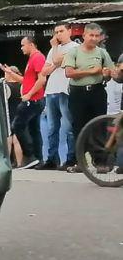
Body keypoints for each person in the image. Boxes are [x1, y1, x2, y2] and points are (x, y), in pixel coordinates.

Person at [63, 23, 115, 172]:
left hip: (97, 92)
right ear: (84, 35)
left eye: (97, 36)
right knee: (78, 126)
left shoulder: (102, 53)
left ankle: (100, 162)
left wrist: (106, 74)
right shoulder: (74, 52)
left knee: (99, 126)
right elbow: (69, 73)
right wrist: (92, 72)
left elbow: (109, 72)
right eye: (91, 35)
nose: (94, 38)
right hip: (78, 93)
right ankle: (81, 162)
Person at [37, 23, 79, 169]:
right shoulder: (54, 50)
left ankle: (71, 158)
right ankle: (51, 159)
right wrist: (55, 62)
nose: (58, 35)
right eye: (56, 32)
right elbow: (44, 71)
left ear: (69, 31)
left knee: (68, 127)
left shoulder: (74, 47)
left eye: (61, 31)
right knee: (52, 128)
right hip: (51, 90)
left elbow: (54, 61)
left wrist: (55, 51)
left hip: (64, 90)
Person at [0, 36, 46, 169]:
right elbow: (25, 81)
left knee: (17, 126)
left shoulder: (37, 58)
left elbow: (41, 80)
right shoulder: (32, 59)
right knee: (33, 129)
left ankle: (30, 156)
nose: (21, 48)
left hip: (32, 100)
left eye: (23, 45)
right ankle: (37, 159)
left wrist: (29, 94)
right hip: (34, 99)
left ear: (31, 45)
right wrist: (10, 73)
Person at [2, 66, 24, 167]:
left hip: (9, 114)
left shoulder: (5, 87)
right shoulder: (21, 85)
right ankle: (19, 163)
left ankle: (6, 163)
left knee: (9, 139)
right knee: (17, 139)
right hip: (19, 113)